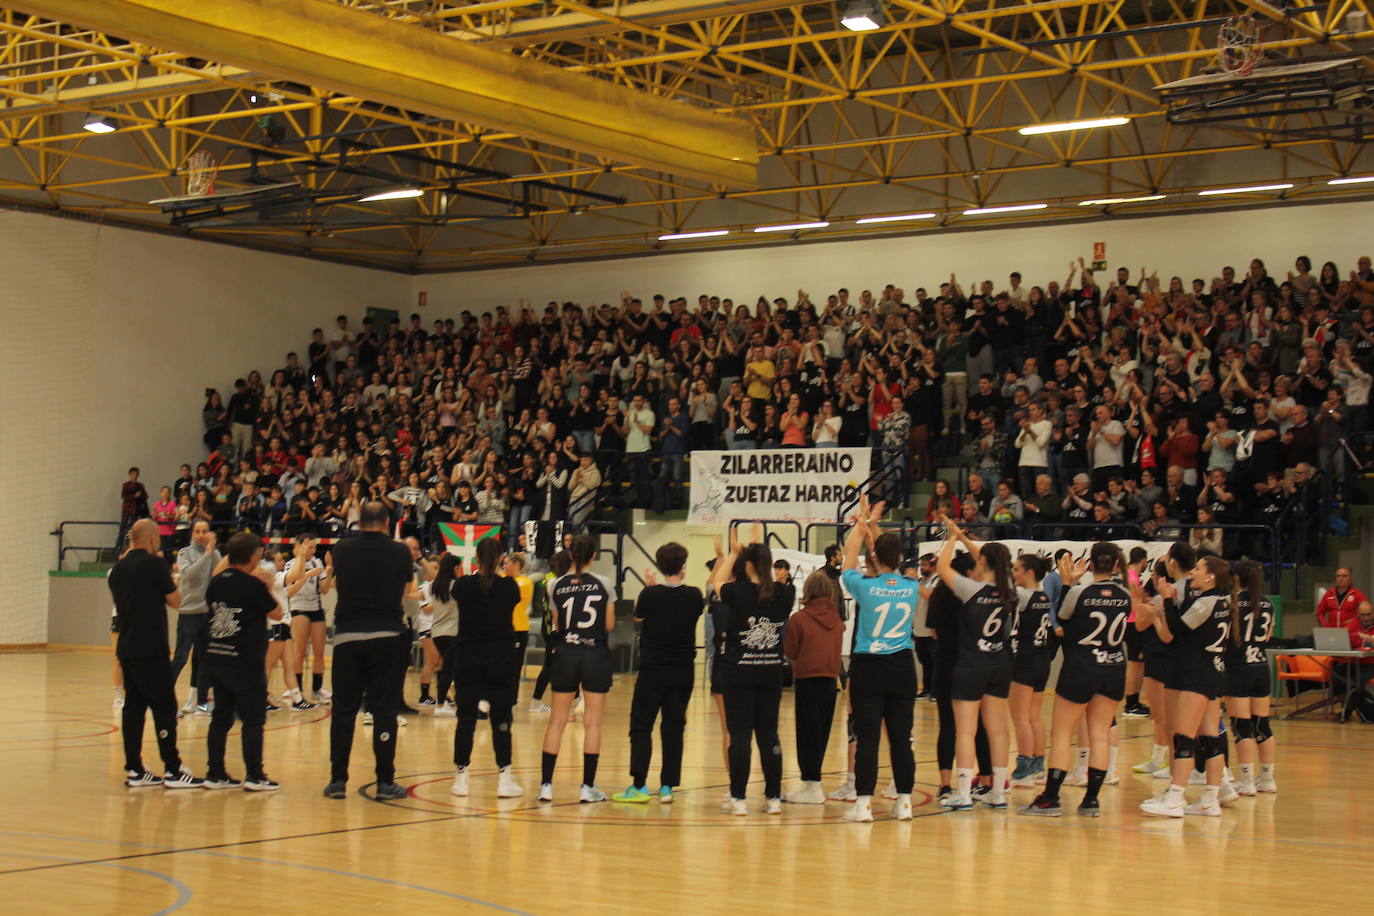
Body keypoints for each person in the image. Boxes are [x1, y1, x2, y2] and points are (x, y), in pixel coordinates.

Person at [1020, 543, 1131, 818]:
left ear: (1091, 564)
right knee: (1100, 735)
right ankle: (1091, 800)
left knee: (1061, 735)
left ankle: (1051, 798)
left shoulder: (1080, 592)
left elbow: (1062, 621)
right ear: (1116, 566)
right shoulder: (1125, 594)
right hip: (1114, 668)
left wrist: (1069, 585)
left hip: (1081, 668)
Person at [323, 501, 416, 801]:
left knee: (343, 711)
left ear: (359, 522)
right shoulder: (400, 551)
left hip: (347, 635)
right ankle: (385, 782)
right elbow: (406, 590)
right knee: (384, 711)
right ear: (387, 523)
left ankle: (337, 781)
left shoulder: (342, 549)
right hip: (387, 635)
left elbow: (335, 582)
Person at [1139, 556, 1238, 818]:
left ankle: (1174, 798)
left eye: (1199, 568)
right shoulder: (1225, 602)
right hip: (1215, 671)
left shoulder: (1206, 602)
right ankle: (1210, 800)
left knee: (1184, 736)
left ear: (1210, 577)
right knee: (1210, 737)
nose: (1193, 571)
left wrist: (1168, 599)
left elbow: (1178, 630)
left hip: (1198, 674)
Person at [840, 496, 919, 822]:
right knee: (901, 738)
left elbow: (847, 562)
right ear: (900, 557)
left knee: (868, 737)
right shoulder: (912, 586)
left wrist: (860, 530)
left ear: (873, 558)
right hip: (902, 666)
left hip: (869, 667)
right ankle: (904, 802)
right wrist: (873, 528)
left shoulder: (866, 586)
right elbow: (885, 561)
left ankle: (863, 806)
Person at [708, 524, 793, 816]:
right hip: (770, 670)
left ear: (746, 565)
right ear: (770, 565)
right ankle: (772, 798)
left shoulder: (738, 591)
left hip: (739, 670)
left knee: (740, 734)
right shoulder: (784, 592)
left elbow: (716, 582)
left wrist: (734, 553)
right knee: (769, 735)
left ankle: (739, 798)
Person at [109, 519, 200, 788]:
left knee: (134, 708)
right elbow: (176, 601)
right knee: (164, 706)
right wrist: (174, 579)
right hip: (151, 647)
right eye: (157, 536)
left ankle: (135, 769)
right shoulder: (153, 564)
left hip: (126, 646)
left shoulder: (118, 569)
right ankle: (173, 768)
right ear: (149, 538)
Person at [934, 514, 1015, 811]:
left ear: (982, 564)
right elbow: (990, 559)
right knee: (998, 730)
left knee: (965, 731)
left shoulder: (972, 589)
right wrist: (966, 539)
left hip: (971, 666)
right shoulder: (1011, 592)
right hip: (1000, 665)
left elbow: (942, 568)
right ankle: (998, 792)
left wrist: (953, 537)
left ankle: (965, 793)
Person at [612, 542, 704, 804]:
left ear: (660, 566)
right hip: (683, 671)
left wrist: (651, 589)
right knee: (674, 727)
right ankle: (667, 787)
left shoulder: (649, 595)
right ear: (683, 567)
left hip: (652, 670)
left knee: (641, 727)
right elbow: (690, 612)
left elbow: (639, 619)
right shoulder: (694, 595)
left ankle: (639, 785)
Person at [538, 534, 616, 804]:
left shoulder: (555, 585)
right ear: (593, 556)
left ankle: (546, 786)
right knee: (592, 722)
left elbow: (558, 624)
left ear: (571, 556)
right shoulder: (604, 583)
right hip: (594, 653)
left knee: (556, 721)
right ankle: (587, 787)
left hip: (566, 653)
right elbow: (608, 624)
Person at [203, 532, 284, 791]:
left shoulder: (216, 583)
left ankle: (215, 773)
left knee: (220, 718)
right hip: (245, 662)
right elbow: (277, 612)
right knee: (253, 720)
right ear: (252, 556)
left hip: (217, 656)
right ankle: (254, 775)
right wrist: (268, 586)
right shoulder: (253, 585)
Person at [448, 538, 524, 799]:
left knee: (465, 718)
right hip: (500, 658)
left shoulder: (463, 585)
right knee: (501, 718)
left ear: (476, 559)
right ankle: (504, 777)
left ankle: (461, 777)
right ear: (501, 558)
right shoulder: (509, 587)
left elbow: (459, 594)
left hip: (468, 657)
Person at [782, 570, 844, 805]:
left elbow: (790, 651)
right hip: (829, 680)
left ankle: (811, 784)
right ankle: (813, 782)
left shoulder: (799, 618)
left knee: (806, 733)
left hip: (807, 679)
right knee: (821, 732)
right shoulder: (837, 619)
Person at [1226, 560, 1278, 795]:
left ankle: (1246, 781)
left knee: (1241, 726)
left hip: (1237, 667)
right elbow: (1268, 635)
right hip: (1260, 666)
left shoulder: (1231, 603)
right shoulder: (1266, 603)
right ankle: (1267, 779)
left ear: (1237, 579)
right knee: (1261, 723)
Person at [1008, 554, 1054, 788]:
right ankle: (1038, 766)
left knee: (1020, 717)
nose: (1012, 573)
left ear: (1029, 573)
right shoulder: (1043, 595)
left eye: (1016, 569)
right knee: (1034, 716)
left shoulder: (1024, 595)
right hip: (1042, 659)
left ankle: (1024, 769)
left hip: (1025, 659)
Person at [173, 521, 221, 714]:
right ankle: (165, 701)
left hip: (207, 613)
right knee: (180, 658)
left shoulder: (214, 554)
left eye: (204, 531)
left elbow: (218, 576)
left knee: (205, 660)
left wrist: (213, 553)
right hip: (189, 613)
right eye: (198, 532)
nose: (201, 535)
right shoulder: (185, 553)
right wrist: (207, 555)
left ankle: (201, 704)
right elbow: (188, 575)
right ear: (192, 534)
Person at [286, 536, 333, 704]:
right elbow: (291, 582)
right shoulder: (291, 563)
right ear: (298, 548)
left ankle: (317, 688)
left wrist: (329, 569)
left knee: (319, 651)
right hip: (299, 607)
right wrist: (307, 574)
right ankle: (297, 691)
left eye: (313, 547)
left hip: (316, 608)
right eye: (308, 547)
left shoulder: (317, 563)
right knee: (299, 652)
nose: (311, 551)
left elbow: (325, 589)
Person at [427, 554, 461, 714]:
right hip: (452, 632)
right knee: (449, 669)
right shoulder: (456, 586)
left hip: (436, 632)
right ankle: (441, 704)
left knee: (443, 668)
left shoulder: (435, 586)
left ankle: (442, 702)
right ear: (455, 568)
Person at [117, 467, 149, 549]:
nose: (134, 476)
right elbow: (124, 496)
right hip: (127, 509)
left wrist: (139, 496)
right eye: (133, 474)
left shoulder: (140, 485)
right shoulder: (126, 485)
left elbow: (145, 496)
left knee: (134, 528)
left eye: (136, 474)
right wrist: (134, 496)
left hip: (136, 509)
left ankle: (131, 544)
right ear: (129, 475)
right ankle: (119, 544)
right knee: (123, 526)